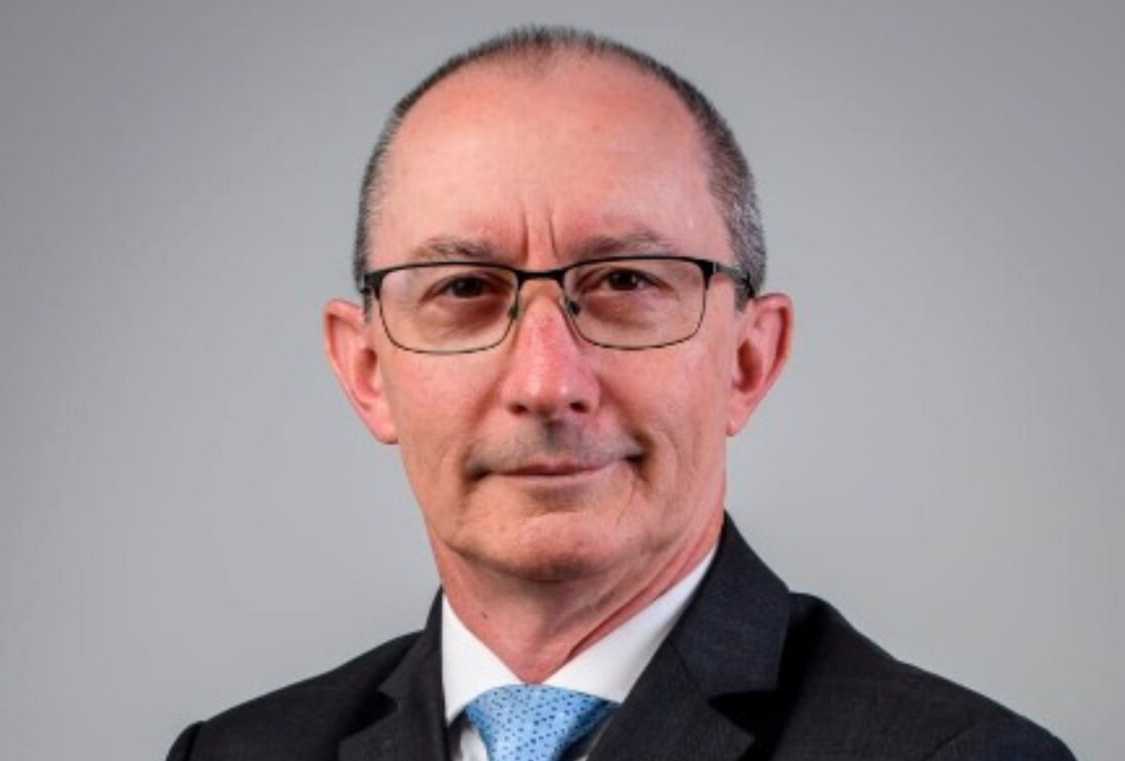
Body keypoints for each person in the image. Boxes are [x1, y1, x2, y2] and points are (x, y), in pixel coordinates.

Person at [167, 26, 1074, 761]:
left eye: (627, 282)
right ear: (368, 372)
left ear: (747, 360)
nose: (547, 383)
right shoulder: (236, 752)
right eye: (464, 289)